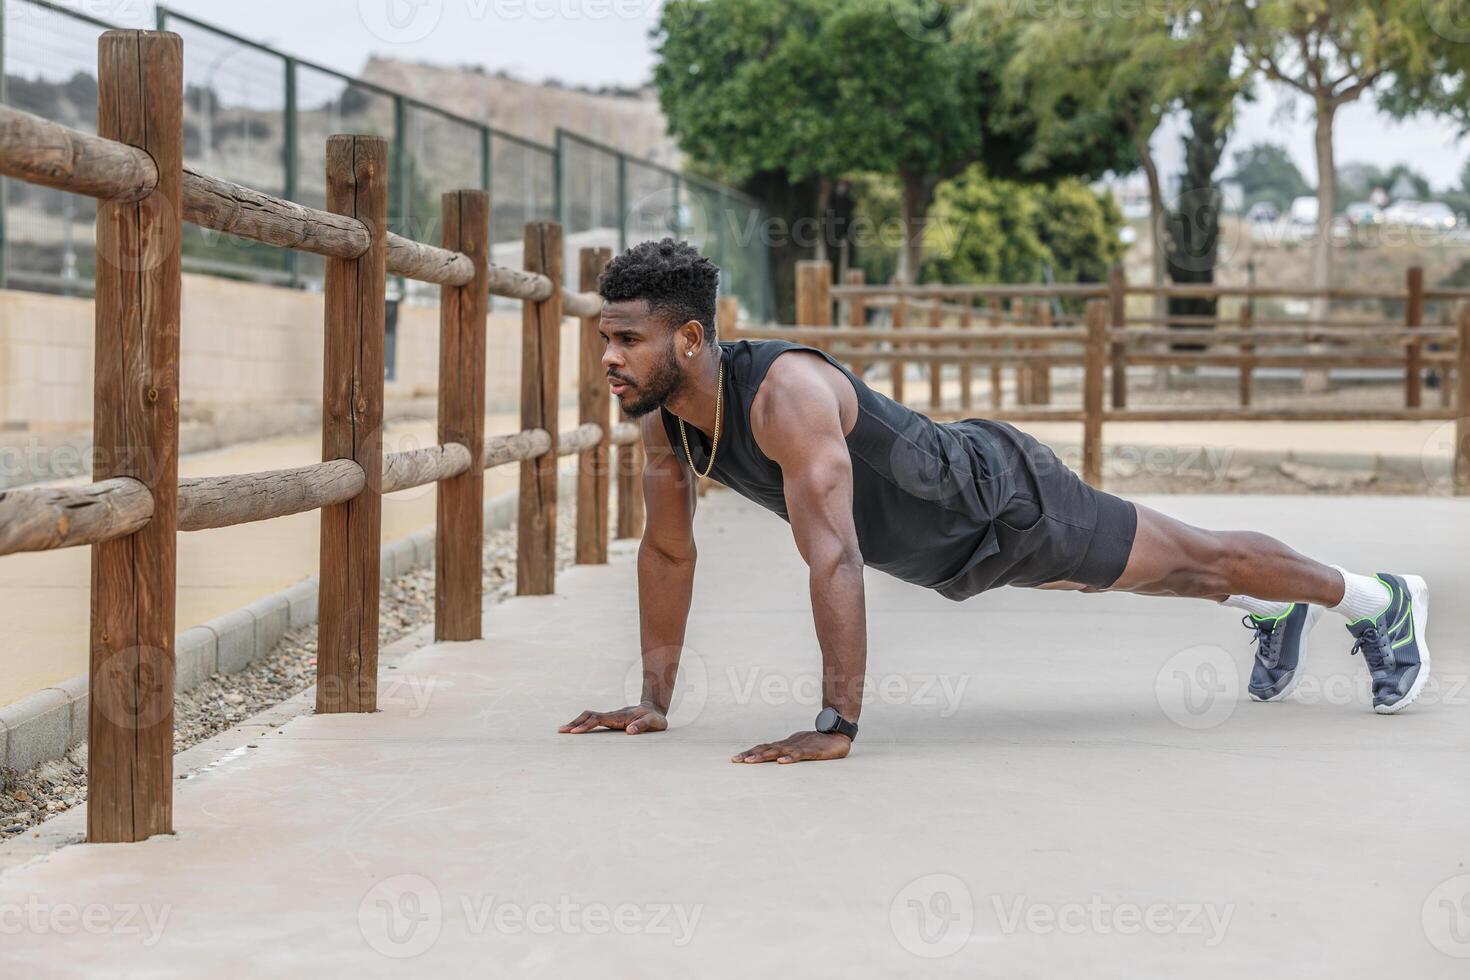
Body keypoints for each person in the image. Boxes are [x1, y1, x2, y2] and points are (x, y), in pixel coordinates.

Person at [558, 239, 1431, 764]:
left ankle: (1378, 600)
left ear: (691, 336)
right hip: (949, 554)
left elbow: (835, 555)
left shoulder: (785, 392)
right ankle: (1275, 610)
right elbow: (669, 552)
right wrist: (654, 701)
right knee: (1159, 578)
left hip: (1001, 502)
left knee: (1199, 559)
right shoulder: (666, 420)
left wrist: (835, 725)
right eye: (606, 340)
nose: (610, 358)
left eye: (627, 340)